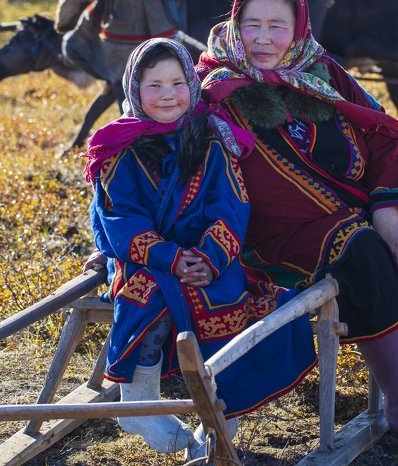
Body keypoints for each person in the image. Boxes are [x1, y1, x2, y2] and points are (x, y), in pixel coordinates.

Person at [197, 0, 398, 435]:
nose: (264, 39)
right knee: (359, 251)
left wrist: (385, 208)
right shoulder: (214, 89)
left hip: (353, 209)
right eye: (252, 25)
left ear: (299, 26)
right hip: (273, 232)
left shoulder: (321, 71)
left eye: (277, 26)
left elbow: (379, 132)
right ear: (235, 25)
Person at [85, 37, 316, 455]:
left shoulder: (211, 138)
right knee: (144, 298)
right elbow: (120, 216)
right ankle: (139, 405)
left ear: (193, 84)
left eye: (177, 82)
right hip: (147, 259)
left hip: (212, 258)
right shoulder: (118, 147)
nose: (168, 95)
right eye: (153, 85)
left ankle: (222, 419)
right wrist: (168, 258)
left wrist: (208, 258)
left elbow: (231, 207)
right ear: (133, 89)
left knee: (229, 304)